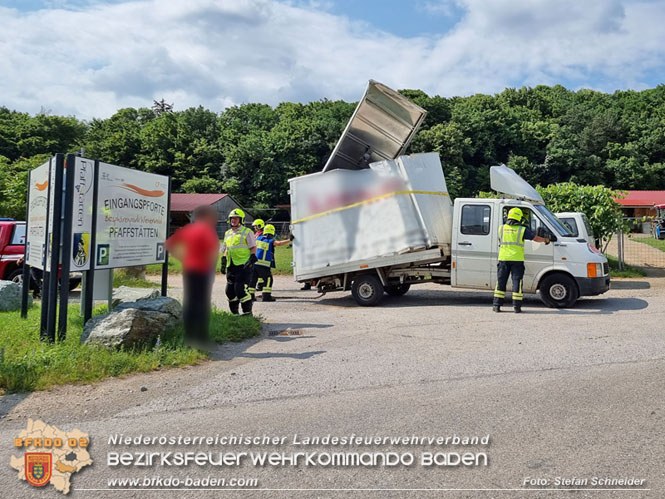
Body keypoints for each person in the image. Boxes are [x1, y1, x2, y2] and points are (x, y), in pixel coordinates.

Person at [165, 205, 219, 342]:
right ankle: (202, 337)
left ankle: (189, 336)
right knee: (202, 303)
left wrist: (183, 258)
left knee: (189, 302)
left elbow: (169, 244)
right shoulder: (208, 231)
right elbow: (211, 255)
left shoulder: (188, 229)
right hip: (203, 270)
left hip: (189, 270)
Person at [493, 207, 550, 313]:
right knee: (517, 283)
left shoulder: (501, 228)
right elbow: (535, 238)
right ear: (519, 218)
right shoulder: (521, 230)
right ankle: (516, 307)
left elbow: (501, 240)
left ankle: (497, 305)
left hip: (503, 259)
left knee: (501, 282)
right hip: (517, 260)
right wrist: (545, 240)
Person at [220, 208, 256, 315]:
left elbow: (253, 247)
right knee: (229, 291)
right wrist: (223, 260)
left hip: (243, 265)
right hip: (231, 265)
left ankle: (247, 313)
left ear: (241, 220)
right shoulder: (227, 233)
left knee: (240, 290)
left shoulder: (247, 232)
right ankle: (235, 314)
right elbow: (226, 248)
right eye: (232, 218)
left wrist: (252, 258)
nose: (233, 220)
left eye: (236, 218)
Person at [249, 224, 289, 302]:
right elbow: (279, 243)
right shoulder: (270, 240)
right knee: (268, 279)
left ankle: (250, 296)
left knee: (253, 280)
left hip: (254, 264)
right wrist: (289, 240)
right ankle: (266, 296)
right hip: (264, 265)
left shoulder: (258, 238)